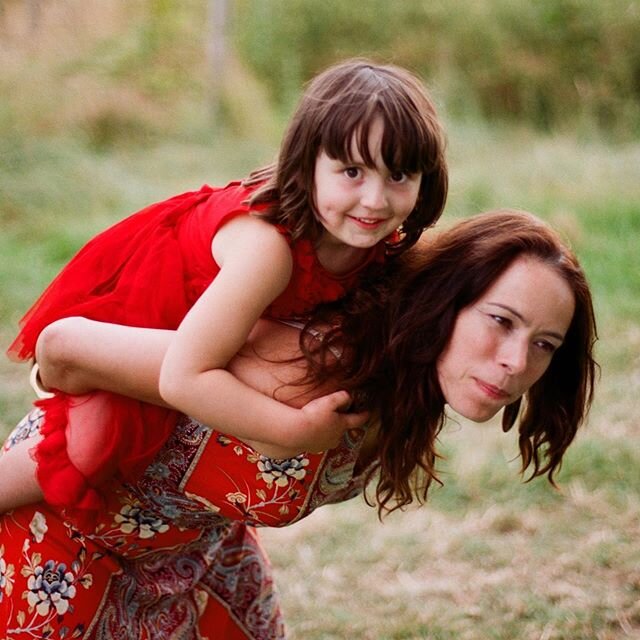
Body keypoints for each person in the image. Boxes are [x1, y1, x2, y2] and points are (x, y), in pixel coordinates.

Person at [0, 210, 597, 638]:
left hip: (196, 552)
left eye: (544, 344)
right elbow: (70, 355)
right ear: (446, 300)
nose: (517, 362)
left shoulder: (404, 386)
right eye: (500, 320)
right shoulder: (313, 363)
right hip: (67, 541)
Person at [0, 58, 448, 519]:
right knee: (91, 449)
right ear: (307, 163)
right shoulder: (267, 252)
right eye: (352, 171)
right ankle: (70, 345)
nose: (374, 200)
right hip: (151, 305)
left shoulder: (378, 242)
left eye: (398, 176)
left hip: (213, 320)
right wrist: (293, 431)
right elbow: (183, 377)